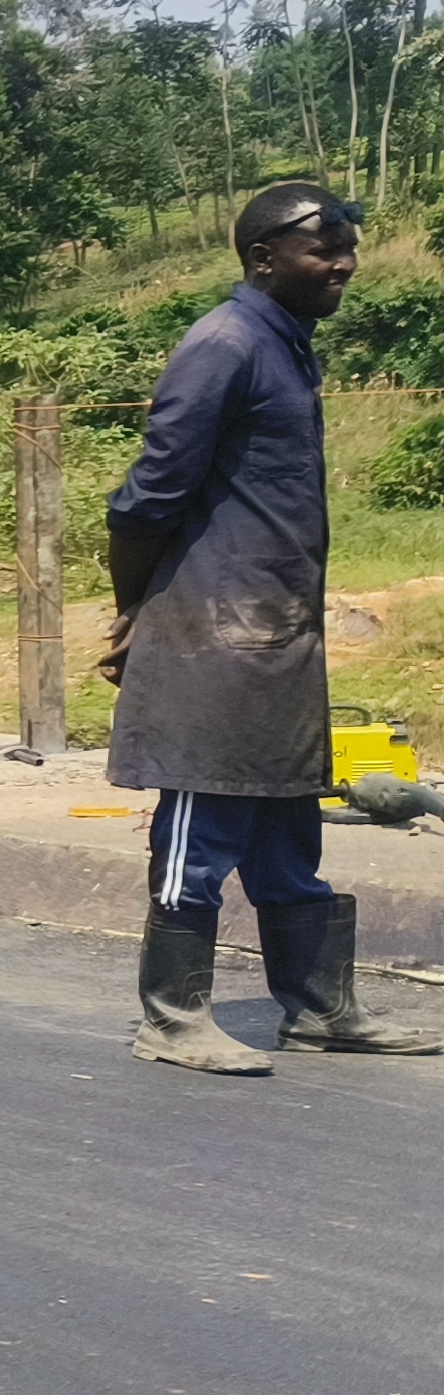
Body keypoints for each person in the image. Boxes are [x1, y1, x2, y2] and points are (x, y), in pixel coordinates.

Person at [104, 180, 441, 1072]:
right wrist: (133, 605)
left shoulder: (284, 344)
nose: (343, 265)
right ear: (262, 259)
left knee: (290, 830)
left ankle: (319, 1008)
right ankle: (171, 1018)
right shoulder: (222, 344)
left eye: (346, 249)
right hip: (213, 631)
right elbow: (148, 497)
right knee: (202, 817)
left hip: (277, 635)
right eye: (321, 250)